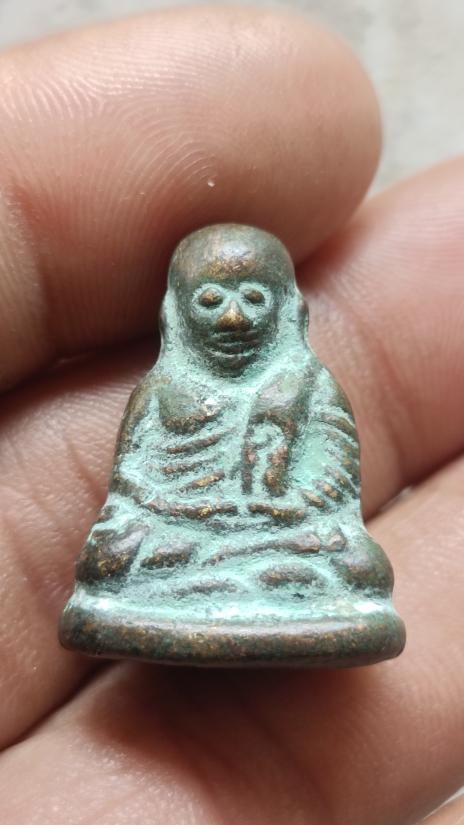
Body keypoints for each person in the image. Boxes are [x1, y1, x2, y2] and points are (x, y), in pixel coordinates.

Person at [0, 6, 462, 824]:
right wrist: (177, 512)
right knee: (115, 555)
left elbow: (335, 486)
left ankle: (250, 583)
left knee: (353, 563)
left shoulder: (310, 388)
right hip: (180, 536)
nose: (236, 316)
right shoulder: (161, 391)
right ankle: (227, 584)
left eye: (255, 297)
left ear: (287, 307)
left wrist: (288, 503)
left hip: (285, 538)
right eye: (212, 299)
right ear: (178, 311)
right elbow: (132, 492)